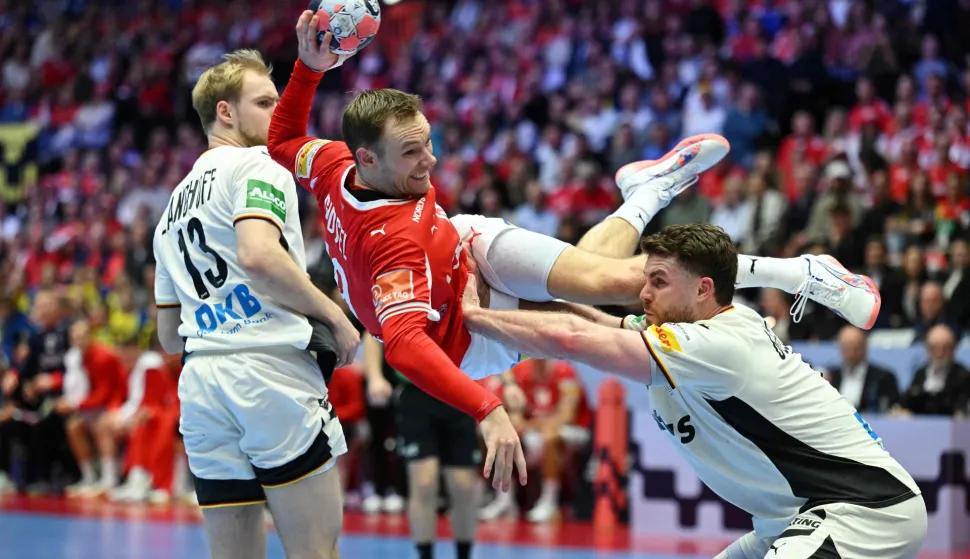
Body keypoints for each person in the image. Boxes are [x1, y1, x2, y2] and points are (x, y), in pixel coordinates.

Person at [267, 11, 882, 492]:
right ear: (370, 158)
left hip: (462, 243)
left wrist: (307, 68)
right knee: (623, 288)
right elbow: (404, 347)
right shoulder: (392, 244)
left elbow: (285, 138)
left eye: (429, 143)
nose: (431, 161)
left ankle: (795, 266)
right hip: (464, 331)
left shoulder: (331, 161)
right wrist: (487, 409)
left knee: (605, 276)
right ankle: (658, 204)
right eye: (412, 154)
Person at [459, 223, 927, 559]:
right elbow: (591, 318)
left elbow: (572, 339)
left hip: (860, 509)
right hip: (788, 517)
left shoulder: (715, 343)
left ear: (704, 289)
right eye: (645, 280)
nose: (643, 294)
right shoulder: (686, 327)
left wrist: (476, 318)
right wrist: (501, 298)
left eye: (658, 283)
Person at [152, 48, 360, 559]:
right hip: (269, 372)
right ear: (225, 112)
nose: (279, 112)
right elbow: (260, 256)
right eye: (265, 102)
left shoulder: (169, 210)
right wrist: (334, 316)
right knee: (316, 551)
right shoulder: (257, 164)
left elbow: (165, 335)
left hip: (202, 384)